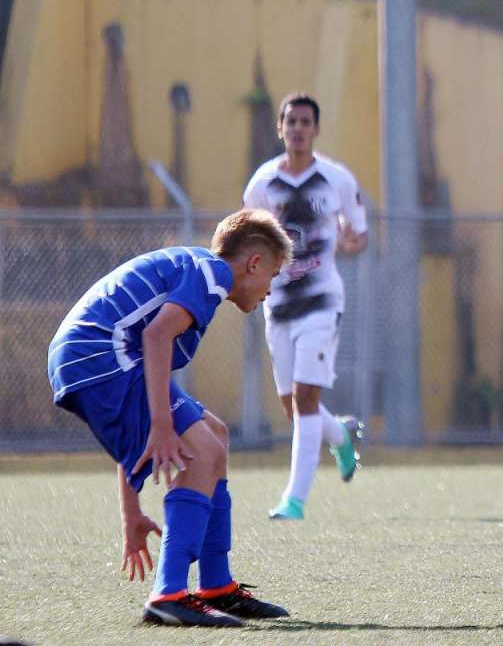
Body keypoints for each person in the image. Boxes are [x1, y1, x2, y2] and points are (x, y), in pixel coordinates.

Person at [47, 209, 294, 626]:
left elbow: (137, 414)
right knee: (201, 449)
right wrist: (162, 425)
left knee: (212, 435)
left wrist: (131, 512)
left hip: (95, 356)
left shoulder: (197, 270)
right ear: (253, 263)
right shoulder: (213, 274)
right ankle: (169, 594)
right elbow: (156, 336)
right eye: (273, 274)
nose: (271, 289)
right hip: (97, 356)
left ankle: (217, 586)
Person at [243, 92, 369, 521]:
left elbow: (358, 232)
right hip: (277, 304)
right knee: (293, 406)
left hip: (321, 300)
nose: (297, 128)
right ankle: (341, 436)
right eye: (290, 121)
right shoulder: (262, 184)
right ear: (280, 129)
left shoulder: (336, 179)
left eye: (304, 122)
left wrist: (352, 241)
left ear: (315, 129)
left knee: (305, 397)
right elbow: (248, 236)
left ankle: (294, 499)